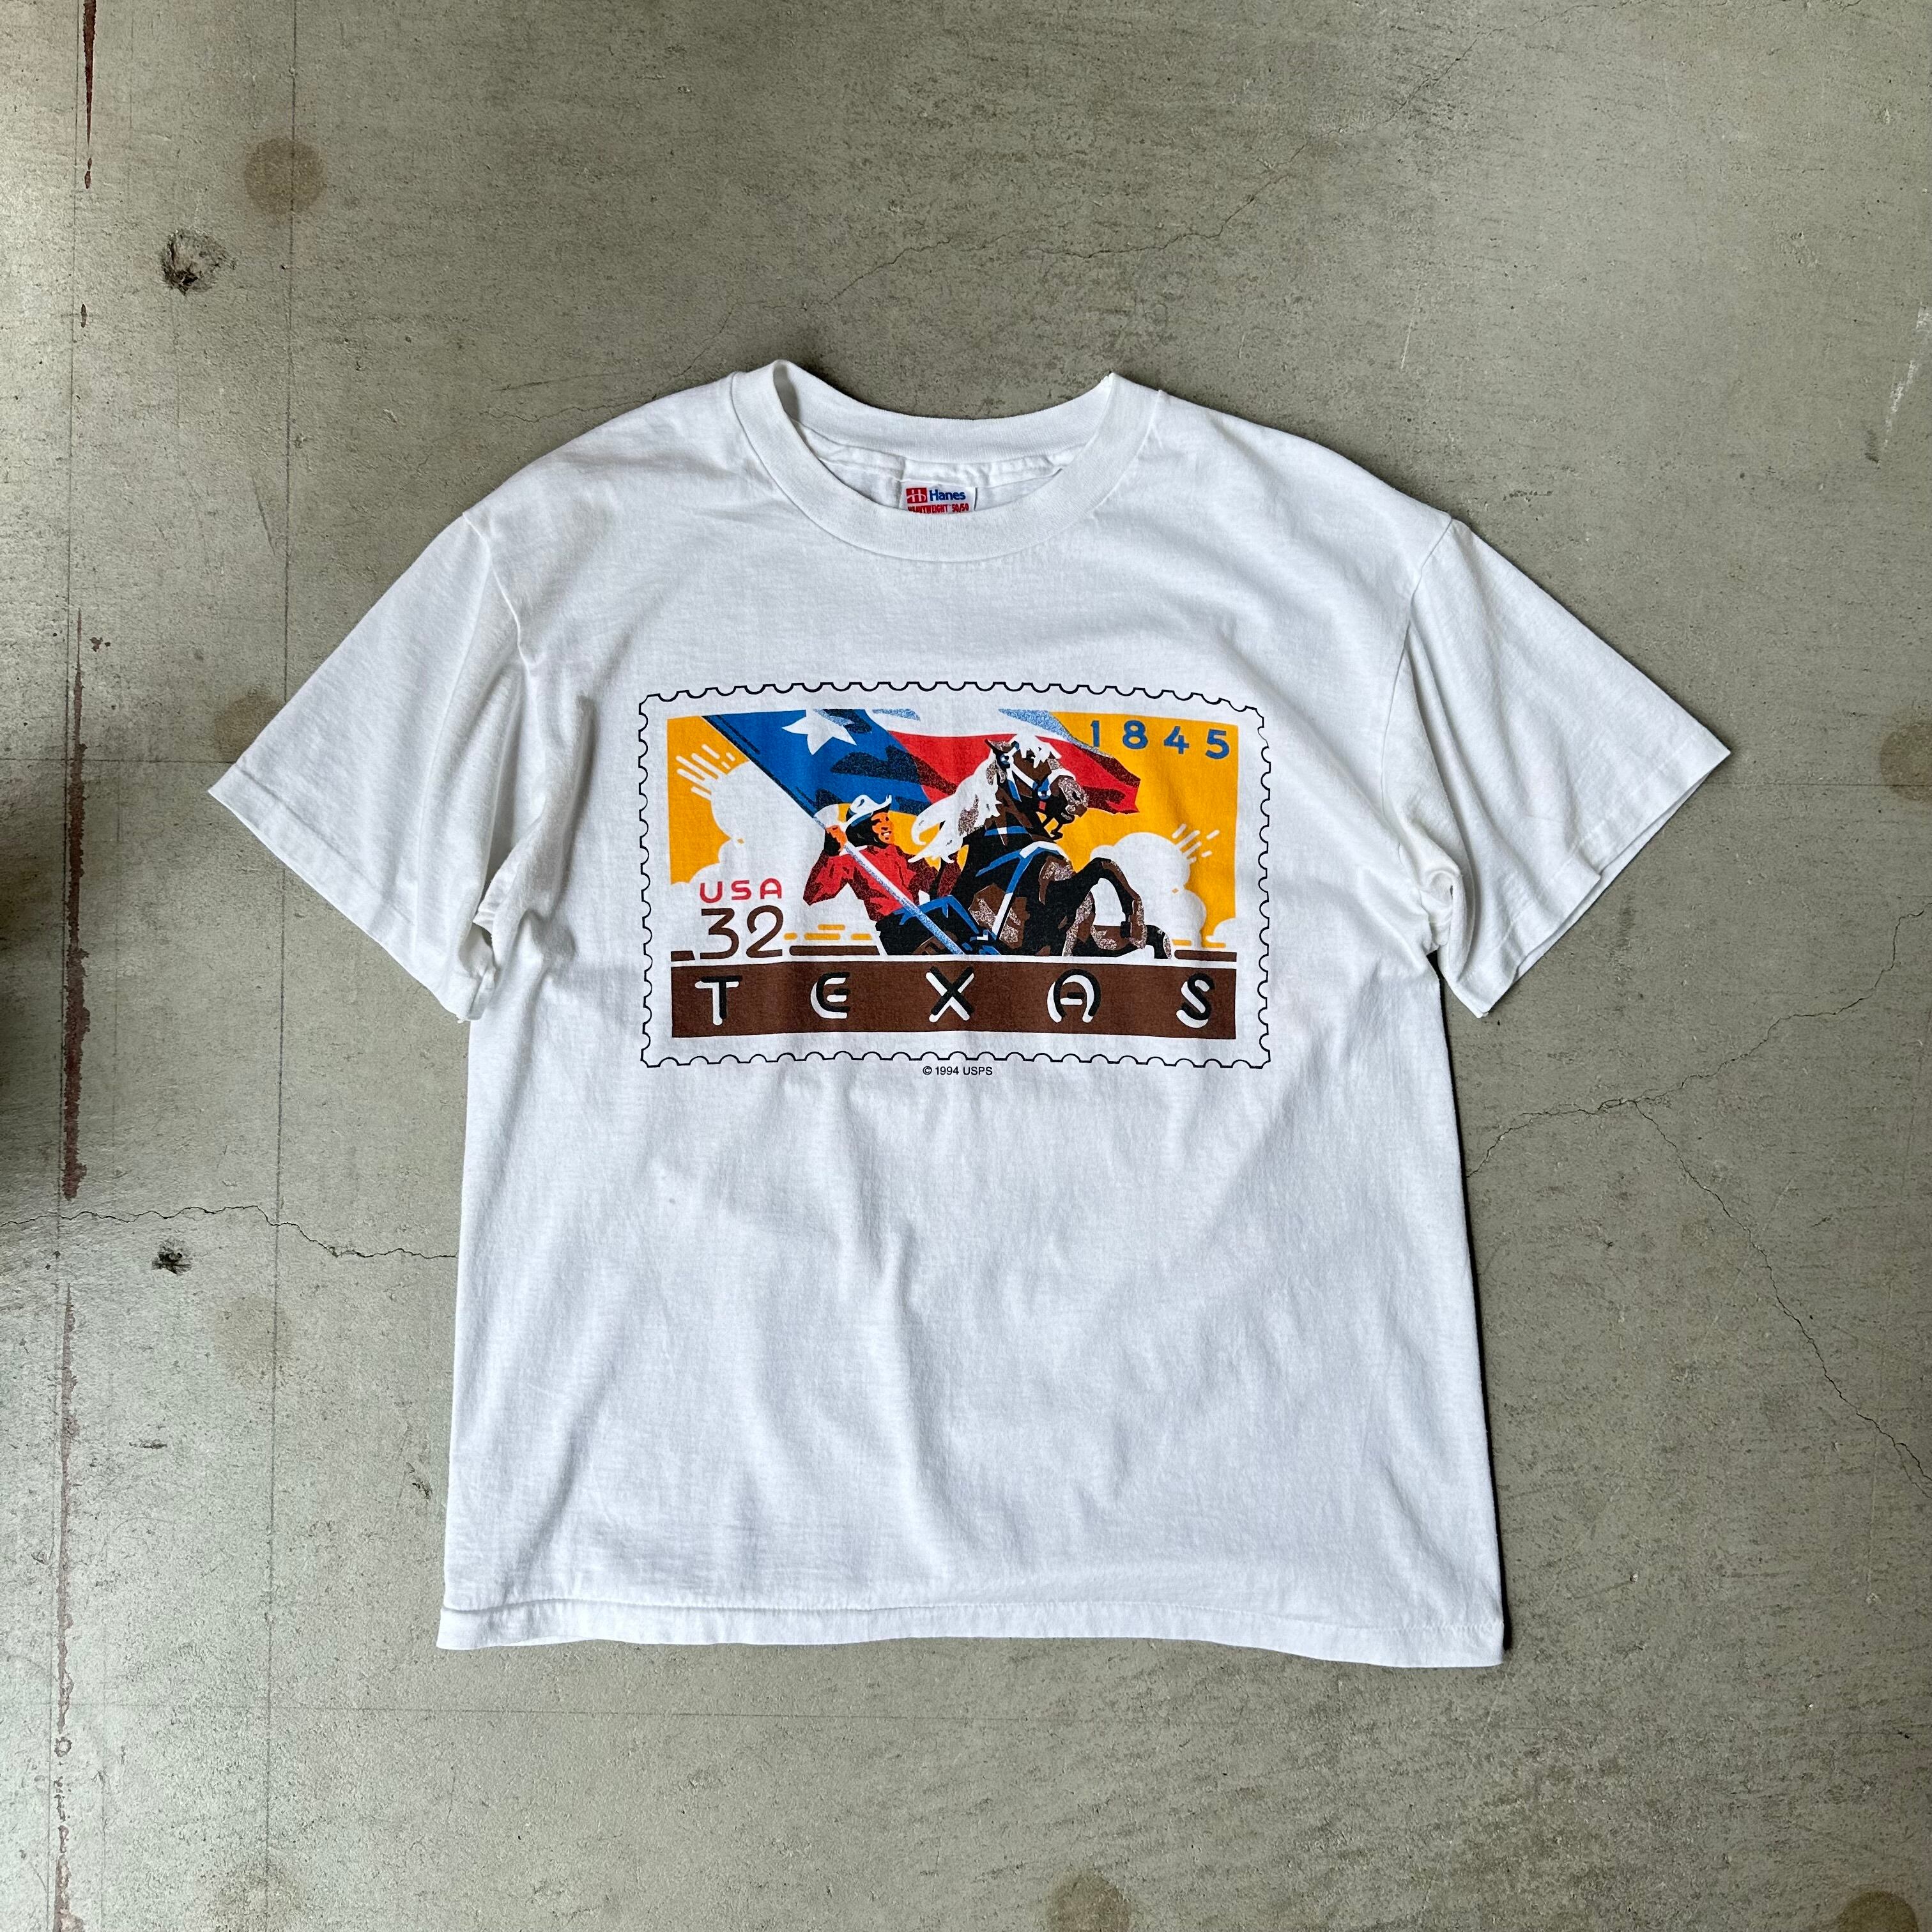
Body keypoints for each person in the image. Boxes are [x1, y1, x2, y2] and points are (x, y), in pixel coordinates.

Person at [803, 795, 986, 954]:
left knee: (950, 904)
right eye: (877, 823)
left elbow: (939, 891)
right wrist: (829, 854)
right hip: (895, 929)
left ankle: (977, 948)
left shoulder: (899, 855)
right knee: (947, 906)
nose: (886, 826)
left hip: (917, 921)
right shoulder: (853, 860)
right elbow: (813, 895)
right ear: (863, 829)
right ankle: (979, 940)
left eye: (886, 819)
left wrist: (951, 855)